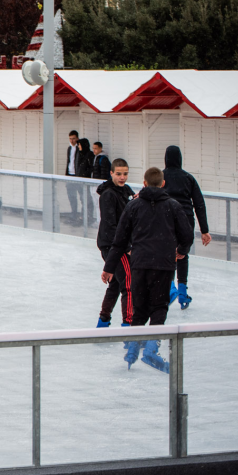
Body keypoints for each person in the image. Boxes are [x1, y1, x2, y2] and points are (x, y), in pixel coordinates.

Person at [102, 167, 193, 373]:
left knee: (140, 308)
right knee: (159, 307)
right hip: (163, 264)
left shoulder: (133, 206)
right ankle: (151, 350)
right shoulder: (173, 206)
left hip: (140, 264)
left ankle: (133, 350)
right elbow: (187, 235)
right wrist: (181, 251)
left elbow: (119, 241)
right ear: (162, 184)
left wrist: (108, 268)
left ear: (144, 183)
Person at [163, 145, 211, 310]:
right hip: (186, 220)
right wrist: (204, 230)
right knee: (182, 254)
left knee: (167, 254)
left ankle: (170, 288)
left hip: (166, 219)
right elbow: (199, 205)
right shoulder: (188, 178)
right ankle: (182, 291)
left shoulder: (161, 177)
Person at [95, 159, 135, 328]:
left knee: (117, 283)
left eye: (125, 174)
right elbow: (111, 225)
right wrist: (126, 248)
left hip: (117, 245)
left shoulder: (124, 191)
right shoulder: (109, 195)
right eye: (118, 174)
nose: (122, 177)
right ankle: (128, 324)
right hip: (114, 246)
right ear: (111, 173)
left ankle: (103, 321)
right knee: (129, 282)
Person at [64, 130, 82, 219]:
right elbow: (68, 162)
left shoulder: (79, 149)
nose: (72, 141)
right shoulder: (69, 148)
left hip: (77, 175)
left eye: (73, 139)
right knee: (71, 196)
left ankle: (82, 215)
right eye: (70, 139)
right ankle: (74, 213)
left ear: (77, 139)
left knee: (82, 196)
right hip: (70, 175)